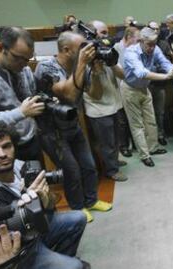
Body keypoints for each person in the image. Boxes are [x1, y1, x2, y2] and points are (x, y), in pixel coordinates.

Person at [34, 31, 112, 223]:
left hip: (72, 126)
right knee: (72, 171)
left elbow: (96, 94)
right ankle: (78, 208)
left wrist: (95, 72)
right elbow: (68, 95)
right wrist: (83, 64)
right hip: (52, 131)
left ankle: (91, 201)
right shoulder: (46, 67)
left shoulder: (81, 66)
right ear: (66, 50)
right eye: (82, 48)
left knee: (89, 165)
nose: (87, 51)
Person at [0, 121, 90, 269]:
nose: (2, 154)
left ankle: (62, 260)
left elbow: (50, 205)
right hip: (20, 250)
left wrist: (45, 200)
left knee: (79, 217)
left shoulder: (20, 166)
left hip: (35, 231)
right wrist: (25, 204)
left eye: (6, 146)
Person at [121, 27, 173, 167]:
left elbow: (165, 64)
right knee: (137, 125)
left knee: (151, 121)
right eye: (149, 45)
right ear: (140, 41)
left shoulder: (155, 48)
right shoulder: (131, 52)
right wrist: (166, 76)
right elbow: (142, 73)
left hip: (144, 88)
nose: (152, 48)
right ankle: (144, 155)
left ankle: (153, 148)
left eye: (154, 44)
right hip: (130, 89)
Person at [83, 20, 128, 182]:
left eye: (107, 32)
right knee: (106, 143)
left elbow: (123, 76)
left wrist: (112, 63)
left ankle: (114, 161)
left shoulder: (108, 50)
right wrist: (96, 71)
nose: (106, 36)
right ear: (91, 35)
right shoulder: (85, 59)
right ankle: (111, 170)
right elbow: (95, 94)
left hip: (114, 105)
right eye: (102, 33)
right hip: (99, 110)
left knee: (115, 140)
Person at [0, 27, 45, 161]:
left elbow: (32, 97)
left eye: (27, 59)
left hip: (31, 140)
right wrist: (21, 112)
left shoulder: (23, 69)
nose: (24, 64)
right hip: (5, 150)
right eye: (19, 58)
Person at [114, 26, 139, 157]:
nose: (139, 42)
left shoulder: (134, 49)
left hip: (132, 88)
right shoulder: (117, 49)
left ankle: (135, 142)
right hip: (119, 88)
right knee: (122, 120)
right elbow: (119, 71)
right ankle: (123, 146)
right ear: (129, 37)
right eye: (137, 38)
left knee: (133, 117)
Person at [148, 21, 169, 146]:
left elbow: (165, 64)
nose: (156, 31)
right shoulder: (142, 43)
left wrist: (154, 68)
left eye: (157, 29)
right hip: (145, 85)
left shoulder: (163, 44)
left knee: (160, 112)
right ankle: (151, 137)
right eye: (153, 29)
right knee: (147, 113)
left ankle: (160, 134)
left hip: (159, 84)